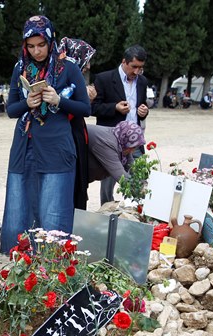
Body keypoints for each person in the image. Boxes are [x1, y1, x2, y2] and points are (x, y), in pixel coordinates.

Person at [0, 15, 90, 254]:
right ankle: (22, 263)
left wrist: (59, 101)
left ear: (51, 41)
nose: (36, 51)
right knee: (21, 205)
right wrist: (27, 103)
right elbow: (11, 109)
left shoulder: (67, 68)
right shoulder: (20, 68)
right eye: (31, 46)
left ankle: (53, 263)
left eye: (41, 45)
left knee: (54, 208)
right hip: (23, 147)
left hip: (56, 148)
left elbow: (85, 108)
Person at [91, 45, 149, 205]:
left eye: (141, 68)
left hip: (135, 140)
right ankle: (106, 209)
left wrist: (143, 111)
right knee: (110, 179)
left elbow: (141, 105)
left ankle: (138, 208)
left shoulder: (142, 81)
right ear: (124, 62)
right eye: (134, 67)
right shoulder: (104, 78)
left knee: (140, 173)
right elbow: (92, 108)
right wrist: (114, 107)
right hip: (111, 140)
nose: (137, 72)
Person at [58, 37, 96, 210]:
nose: (88, 66)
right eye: (86, 61)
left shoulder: (75, 81)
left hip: (78, 138)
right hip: (69, 141)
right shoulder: (62, 82)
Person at [86, 121, 145, 185]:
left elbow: (131, 166)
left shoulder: (121, 139)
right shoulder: (107, 143)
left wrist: (142, 180)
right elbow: (120, 176)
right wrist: (140, 188)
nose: (132, 151)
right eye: (132, 147)